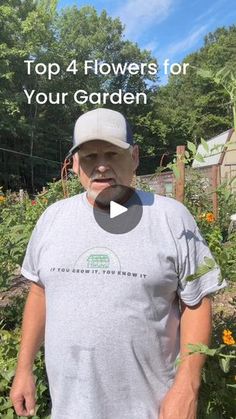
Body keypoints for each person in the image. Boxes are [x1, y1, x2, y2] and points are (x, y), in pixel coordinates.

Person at [10, 108, 225, 419]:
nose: (100, 166)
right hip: (70, 407)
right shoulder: (52, 219)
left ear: (134, 157)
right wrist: (24, 368)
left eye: (112, 153)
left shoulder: (170, 217)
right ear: (73, 165)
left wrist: (187, 387)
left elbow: (198, 301)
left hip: (151, 409)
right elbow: (39, 293)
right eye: (89, 156)